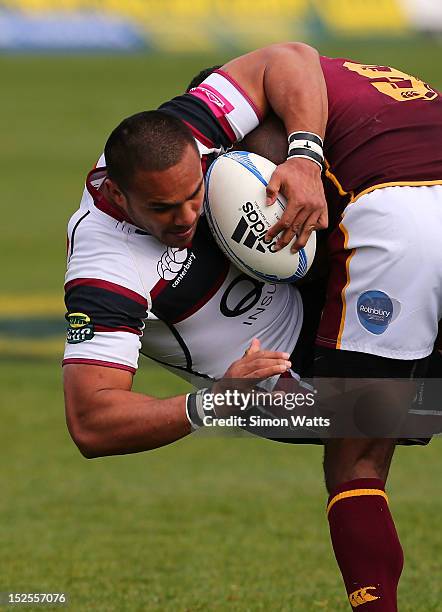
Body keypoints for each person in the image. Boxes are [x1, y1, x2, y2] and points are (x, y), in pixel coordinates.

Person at [63, 43, 442, 611]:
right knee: (369, 419)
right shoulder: (105, 264)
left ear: (206, 152)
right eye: (164, 209)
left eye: (196, 195)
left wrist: (305, 156)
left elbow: (285, 56)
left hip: (375, 247)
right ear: (117, 194)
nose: (188, 218)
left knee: (362, 448)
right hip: (276, 379)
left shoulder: (191, 129)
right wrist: (215, 404)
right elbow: (92, 422)